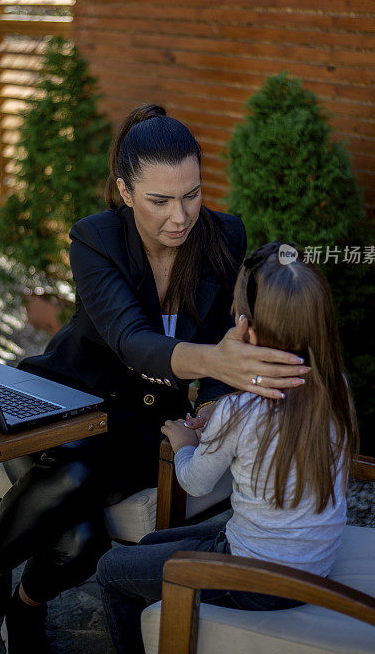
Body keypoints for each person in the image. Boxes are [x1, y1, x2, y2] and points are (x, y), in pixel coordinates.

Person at [0, 106, 308, 654]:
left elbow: (223, 334)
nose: (180, 216)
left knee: (83, 532)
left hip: (139, 422)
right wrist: (214, 363)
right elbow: (131, 339)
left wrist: (214, 397)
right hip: (64, 404)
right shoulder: (95, 240)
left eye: (191, 194)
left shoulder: (224, 237)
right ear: (124, 190)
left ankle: (2, 597)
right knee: (78, 514)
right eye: (159, 200)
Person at [96, 240, 359, 654]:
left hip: (257, 579)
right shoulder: (335, 387)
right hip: (311, 563)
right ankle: (175, 625)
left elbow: (194, 483)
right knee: (149, 545)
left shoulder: (240, 407)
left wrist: (185, 441)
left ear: (246, 329)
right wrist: (219, 428)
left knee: (111, 570)